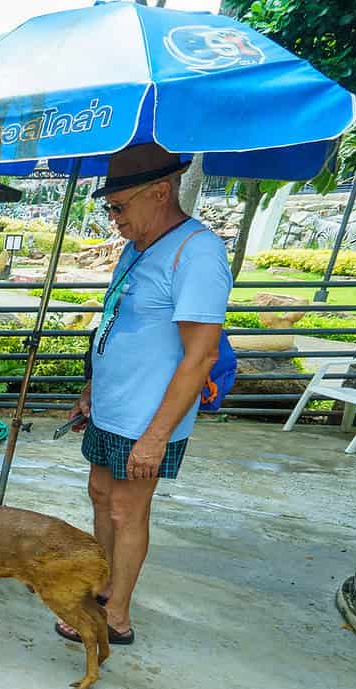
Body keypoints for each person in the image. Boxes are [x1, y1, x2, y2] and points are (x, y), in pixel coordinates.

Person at [55, 143, 232, 647]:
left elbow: (199, 357)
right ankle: (103, 586)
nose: (113, 218)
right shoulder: (137, 248)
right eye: (108, 207)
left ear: (160, 192)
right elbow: (117, 320)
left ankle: (117, 615)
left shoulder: (197, 252)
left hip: (149, 418)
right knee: (100, 496)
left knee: (126, 511)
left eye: (119, 206)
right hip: (112, 407)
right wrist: (93, 386)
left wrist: (156, 437)